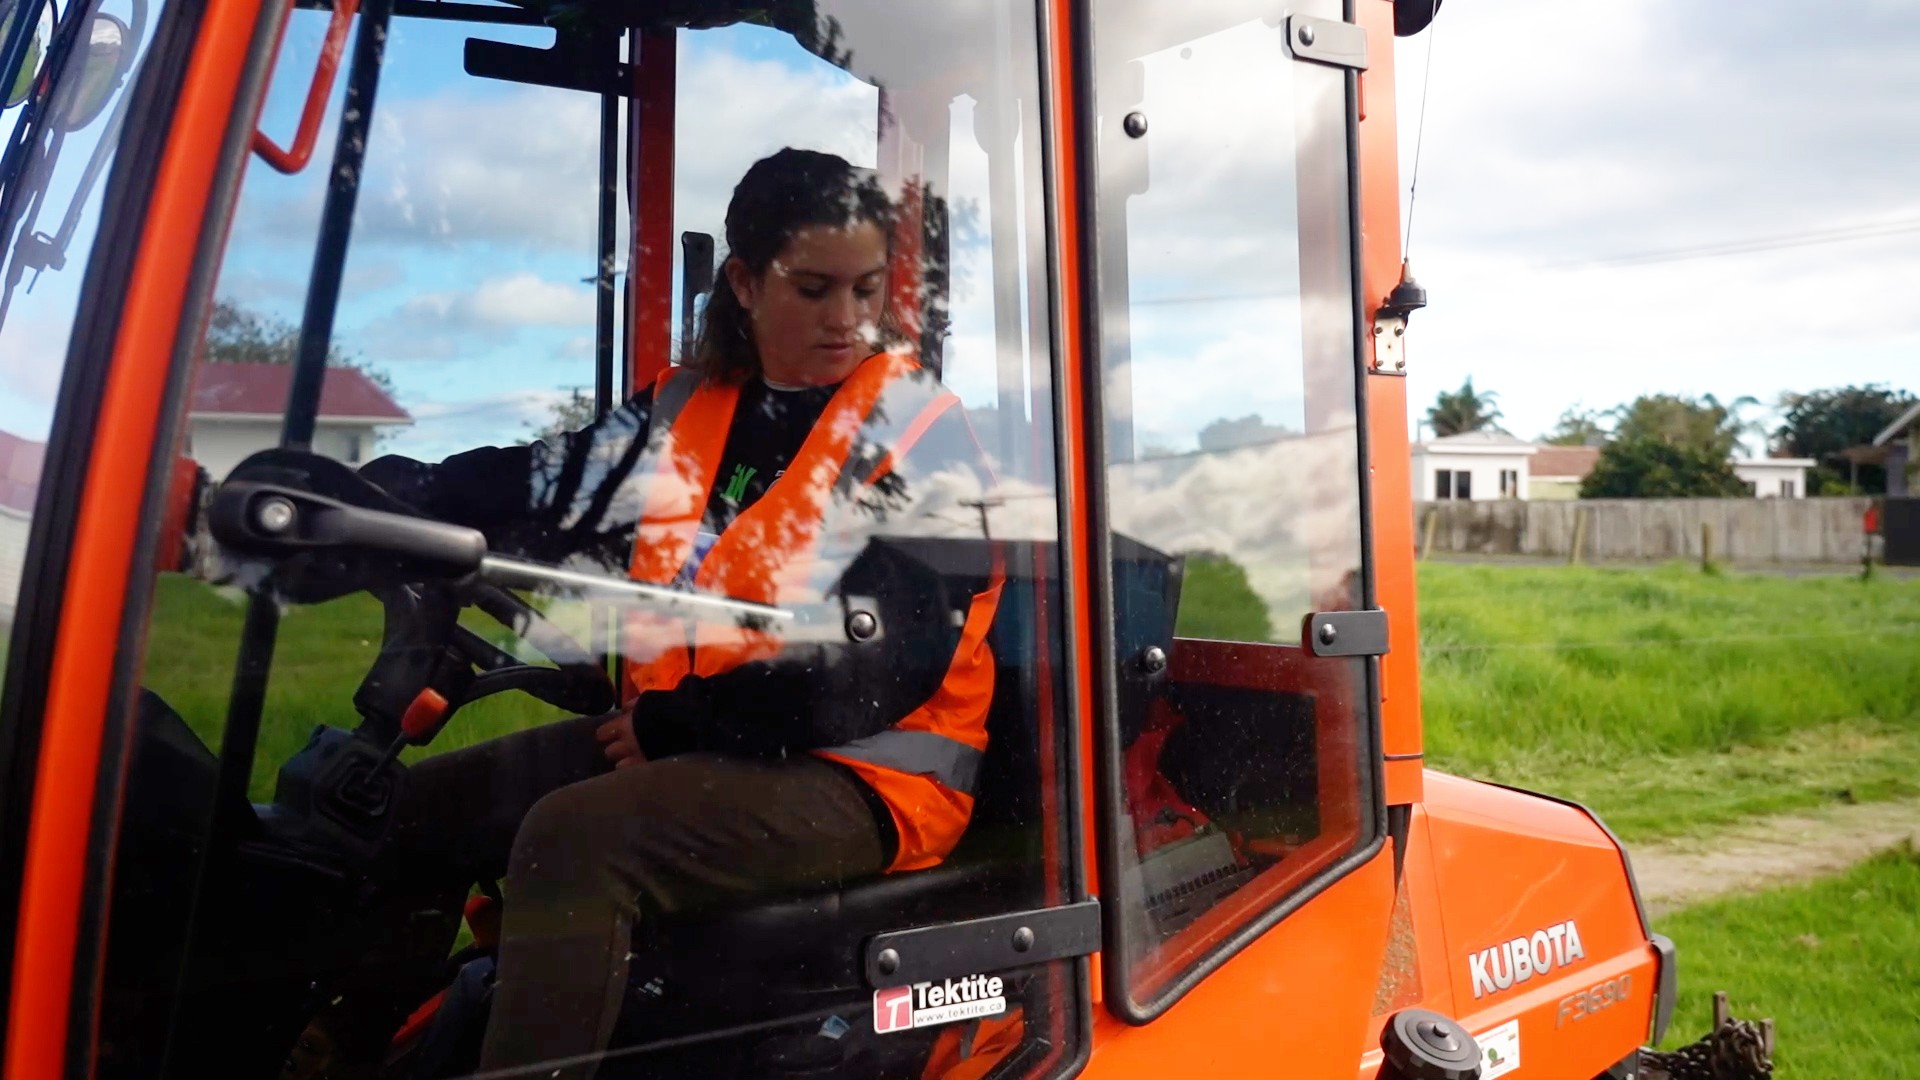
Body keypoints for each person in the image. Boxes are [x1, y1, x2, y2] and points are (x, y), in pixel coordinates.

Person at [355, 148, 1003, 1079]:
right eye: (813, 288)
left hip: (863, 777)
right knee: (420, 808)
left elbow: (864, 676)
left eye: (865, 289)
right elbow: (548, 482)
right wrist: (392, 501)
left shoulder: (920, 438)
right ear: (743, 281)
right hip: (699, 740)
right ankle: (362, 1047)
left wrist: (670, 724)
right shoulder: (687, 405)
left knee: (574, 840)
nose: (846, 320)